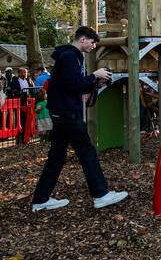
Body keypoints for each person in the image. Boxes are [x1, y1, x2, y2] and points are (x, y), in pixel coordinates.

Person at [31, 26, 128, 212]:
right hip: (67, 112)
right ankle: (100, 194)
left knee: (57, 156)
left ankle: (41, 199)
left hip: (61, 111)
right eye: (92, 42)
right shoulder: (70, 56)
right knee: (86, 151)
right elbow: (73, 84)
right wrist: (94, 75)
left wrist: (95, 82)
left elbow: (73, 86)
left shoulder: (68, 56)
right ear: (83, 39)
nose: (93, 46)